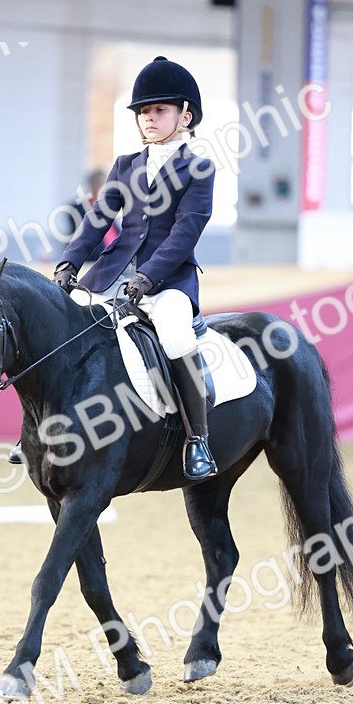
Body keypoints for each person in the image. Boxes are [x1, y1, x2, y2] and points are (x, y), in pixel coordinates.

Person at [54, 55, 217, 481]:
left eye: (159, 110)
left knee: (176, 333)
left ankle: (197, 439)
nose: (149, 118)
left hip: (170, 279)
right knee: (62, 322)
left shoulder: (199, 168)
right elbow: (98, 220)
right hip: (113, 273)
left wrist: (150, 278)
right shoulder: (126, 165)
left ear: (186, 115)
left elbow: (186, 230)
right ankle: (40, 430)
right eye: (144, 112)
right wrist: (70, 262)